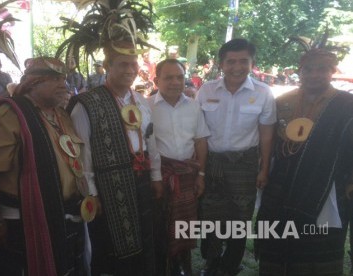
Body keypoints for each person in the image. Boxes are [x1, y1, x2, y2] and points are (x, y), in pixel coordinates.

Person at [0, 57, 88, 276]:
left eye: (64, 79)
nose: (63, 85)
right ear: (33, 83)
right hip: (23, 221)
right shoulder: (6, 116)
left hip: (67, 215)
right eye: (55, 80)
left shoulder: (62, 115)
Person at [68, 41, 162, 275]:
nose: (130, 69)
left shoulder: (141, 100)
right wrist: (92, 193)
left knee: (144, 237)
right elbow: (84, 154)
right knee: (111, 244)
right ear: (108, 66)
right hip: (109, 188)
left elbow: (151, 141)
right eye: (122, 64)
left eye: (133, 63)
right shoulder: (86, 105)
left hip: (140, 181)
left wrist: (156, 177)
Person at [256, 49, 353, 275]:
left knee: (318, 242)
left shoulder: (347, 104)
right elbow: (269, 141)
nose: (314, 74)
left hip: (326, 186)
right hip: (282, 184)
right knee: (277, 239)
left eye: (322, 69)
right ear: (300, 71)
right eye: (308, 69)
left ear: (332, 72)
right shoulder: (282, 101)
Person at [196, 38, 276, 275]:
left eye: (244, 61)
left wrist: (263, 170)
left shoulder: (263, 93)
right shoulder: (206, 90)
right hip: (212, 163)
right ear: (222, 64)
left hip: (245, 164)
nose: (237, 67)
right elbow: (197, 132)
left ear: (252, 63)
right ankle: (211, 261)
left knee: (239, 217)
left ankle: (231, 264)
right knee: (210, 215)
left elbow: (267, 135)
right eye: (231, 61)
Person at [148, 59, 210, 276]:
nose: (175, 82)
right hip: (160, 177)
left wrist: (201, 174)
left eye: (179, 77)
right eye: (169, 77)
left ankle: (183, 266)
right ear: (156, 80)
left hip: (187, 177)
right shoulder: (146, 107)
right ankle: (163, 268)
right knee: (162, 227)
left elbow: (201, 141)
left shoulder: (194, 106)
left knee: (186, 225)